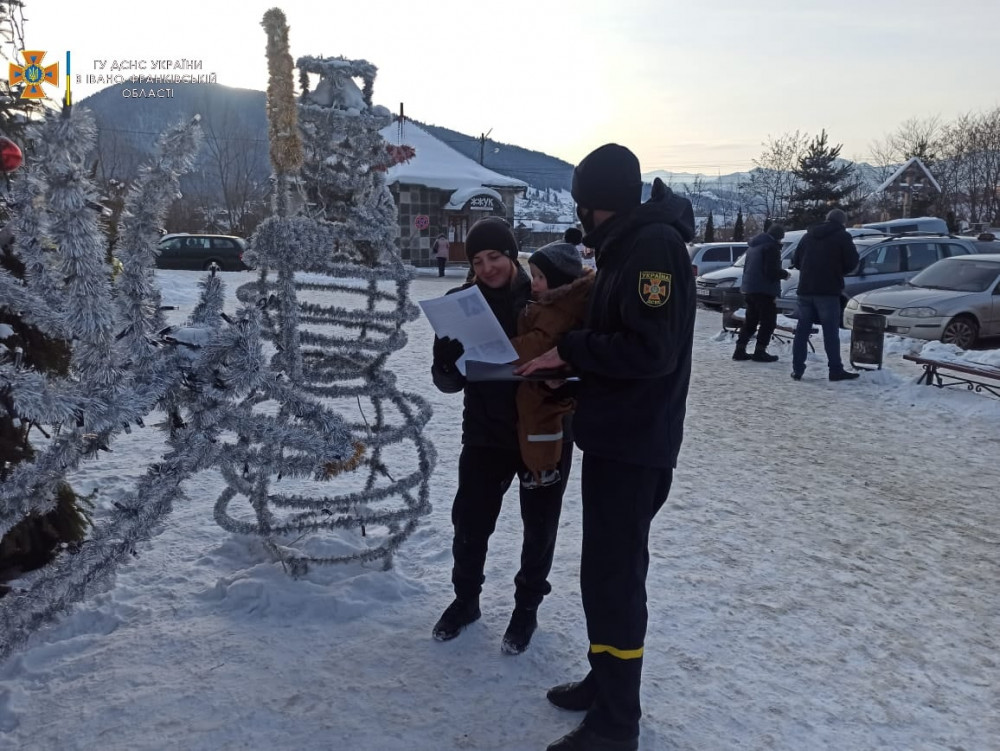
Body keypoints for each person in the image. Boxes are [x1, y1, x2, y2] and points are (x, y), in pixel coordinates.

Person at [518, 144, 696, 751]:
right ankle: (606, 680)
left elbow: (651, 352)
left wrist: (571, 351)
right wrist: (573, 378)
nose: (579, 218)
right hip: (615, 434)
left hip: (635, 446)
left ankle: (617, 724)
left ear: (600, 203)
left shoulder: (653, 249)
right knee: (602, 574)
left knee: (616, 580)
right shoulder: (627, 246)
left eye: (582, 204)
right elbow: (620, 348)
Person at [430, 216, 573, 656]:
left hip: (542, 434)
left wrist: (561, 383)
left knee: (539, 528)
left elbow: (574, 365)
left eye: (494, 256)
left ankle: (526, 609)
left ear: (511, 255)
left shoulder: (543, 296)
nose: (487, 267)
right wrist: (446, 363)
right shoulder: (458, 304)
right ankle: (466, 600)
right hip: (485, 433)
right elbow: (448, 383)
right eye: (477, 260)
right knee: (469, 524)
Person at [511, 241, 594, 489]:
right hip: (541, 377)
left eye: (540, 277)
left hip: (546, 381)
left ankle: (541, 468)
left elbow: (539, 343)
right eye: (533, 275)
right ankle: (536, 467)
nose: (533, 283)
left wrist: (508, 347)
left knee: (538, 419)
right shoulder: (552, 302)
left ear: (558, 280)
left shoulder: (561, 309)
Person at [790, 208, 861, 381]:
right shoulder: (843, 237)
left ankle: (797, 369)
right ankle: (835, 370)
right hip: (828, 290)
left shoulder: (808, 236)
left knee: (802, 331)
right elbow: (852, 262)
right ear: (842, 222)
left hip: (805, 289)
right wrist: (837, 271)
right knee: (830, 332)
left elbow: (796, 261)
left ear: (826, 218)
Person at [733, 223, 789, 363]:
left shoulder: (754, 246)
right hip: (764, 290)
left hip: (750, 288)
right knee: (768, 322)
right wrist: (784, 274)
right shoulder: (771, 248)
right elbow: (771, 271)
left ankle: (739, 350)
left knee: (751, 321)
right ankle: (760, 351)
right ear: (778, 237)